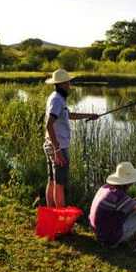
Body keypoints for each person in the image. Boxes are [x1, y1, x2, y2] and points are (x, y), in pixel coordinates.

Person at [43, 68, 99, 207]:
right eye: (68, 83)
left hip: (52, 145)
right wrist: (57, 150)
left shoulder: (57, 97)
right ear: (61, 84)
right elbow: (49, 125)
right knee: (60, 184)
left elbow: (69, 115)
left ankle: (51, 212)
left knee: (52, 181)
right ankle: (60, 217)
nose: (69, 85)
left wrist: (89, 115)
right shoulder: (57, 100)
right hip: (58, 147)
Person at [89, 162, 136, 258]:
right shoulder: (119, 195)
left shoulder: (106, 188)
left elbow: (124, 205)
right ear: (127, 182)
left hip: (98, 232)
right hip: (109, 238)